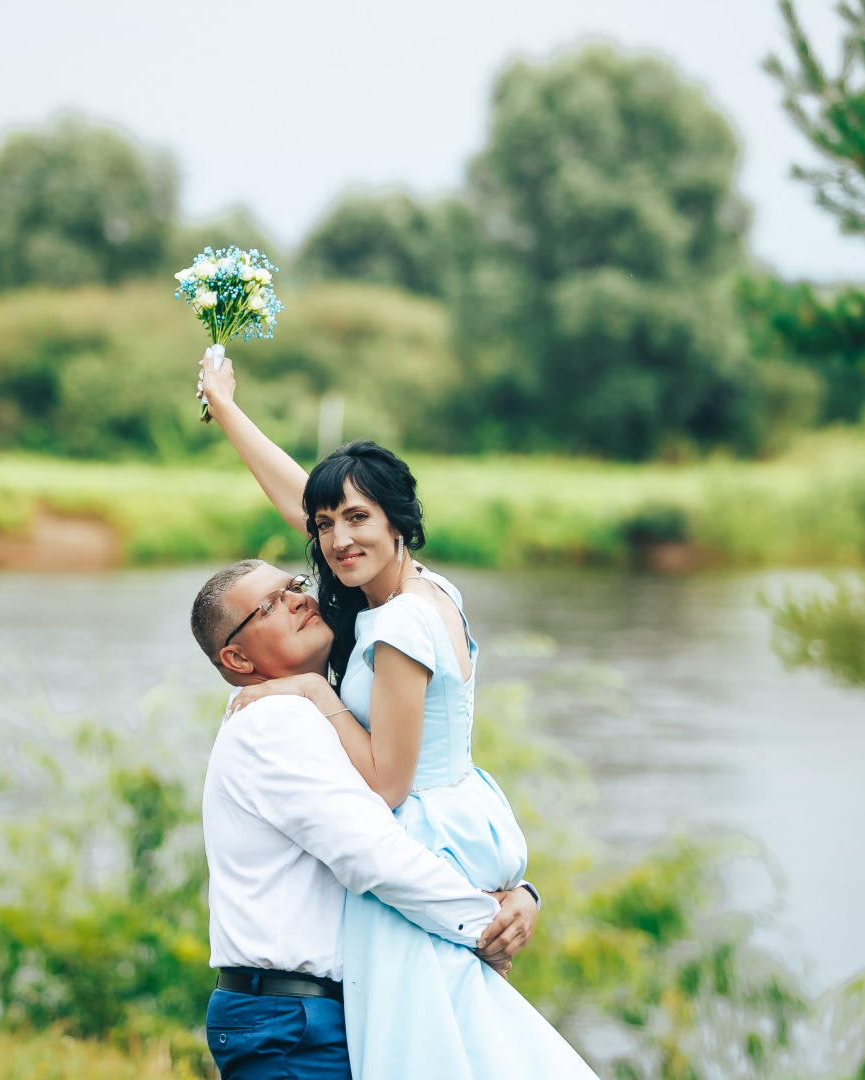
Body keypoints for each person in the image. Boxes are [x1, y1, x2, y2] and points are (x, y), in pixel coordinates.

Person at [198, 351, 598, 1078]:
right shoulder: (412, 589)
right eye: (324, 527)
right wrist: (227, 410)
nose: (334, 541)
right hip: (455, 825)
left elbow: (383, 786)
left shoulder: (398, 626)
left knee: (430, 1052)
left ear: (398, 523)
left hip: (421, 829)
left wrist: (318, 695)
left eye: (358, 519)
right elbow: (311, 507)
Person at [192, 558, 541, 1079]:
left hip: (320, 1012)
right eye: (272, 604)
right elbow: (373, 856)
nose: (299, 599)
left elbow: (411, 828)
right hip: (290, 1024)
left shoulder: (318, 715)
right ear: (237, 657)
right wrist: (486, 924)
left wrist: (521, 895)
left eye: (295, 586)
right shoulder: (273, 722)